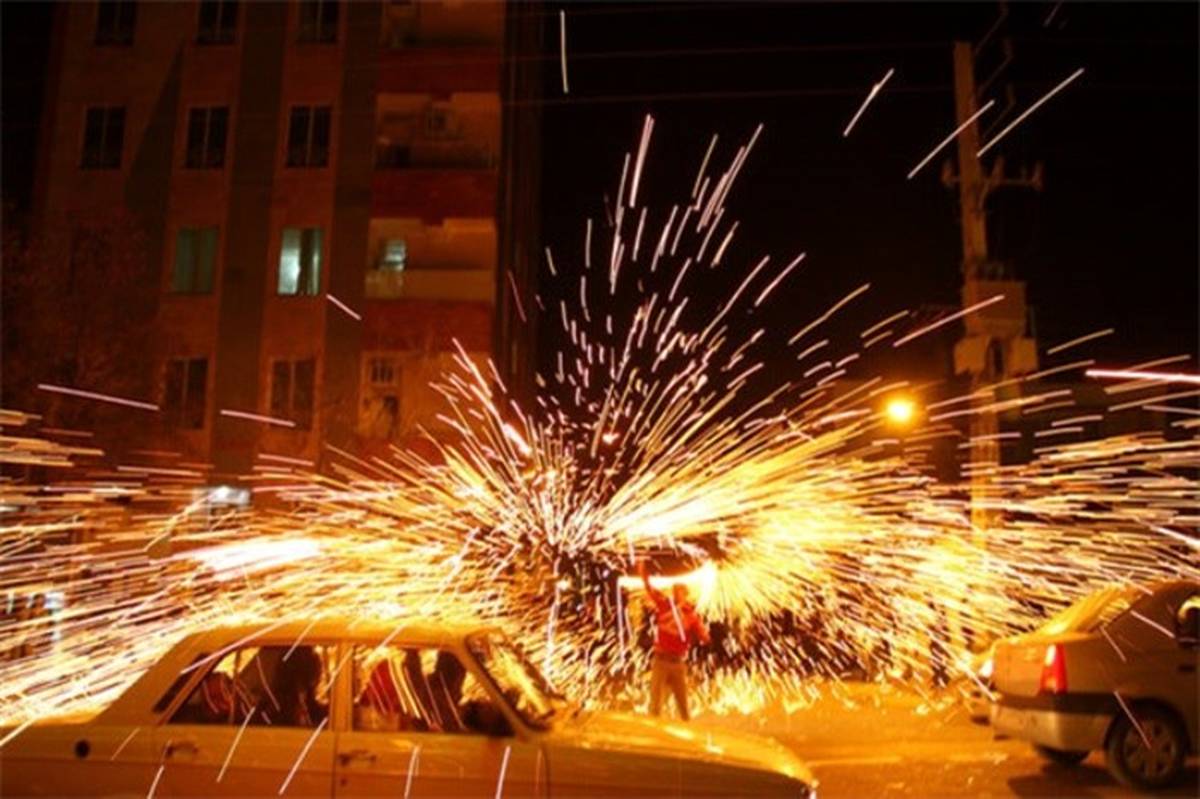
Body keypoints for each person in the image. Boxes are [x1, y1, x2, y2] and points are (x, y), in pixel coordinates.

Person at [639, 559, 709, 720]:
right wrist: (642, 571)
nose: (677, 593)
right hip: (661, 661)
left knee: (683, 706)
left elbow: (704, 636)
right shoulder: (664, 605)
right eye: (675, 590)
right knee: (655, 704)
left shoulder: (691, 615)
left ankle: (686, 731)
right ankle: (654, 730)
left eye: (680, 591)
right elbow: (649, 589)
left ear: (686, 594)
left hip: (677, 663)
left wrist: (704, 636)